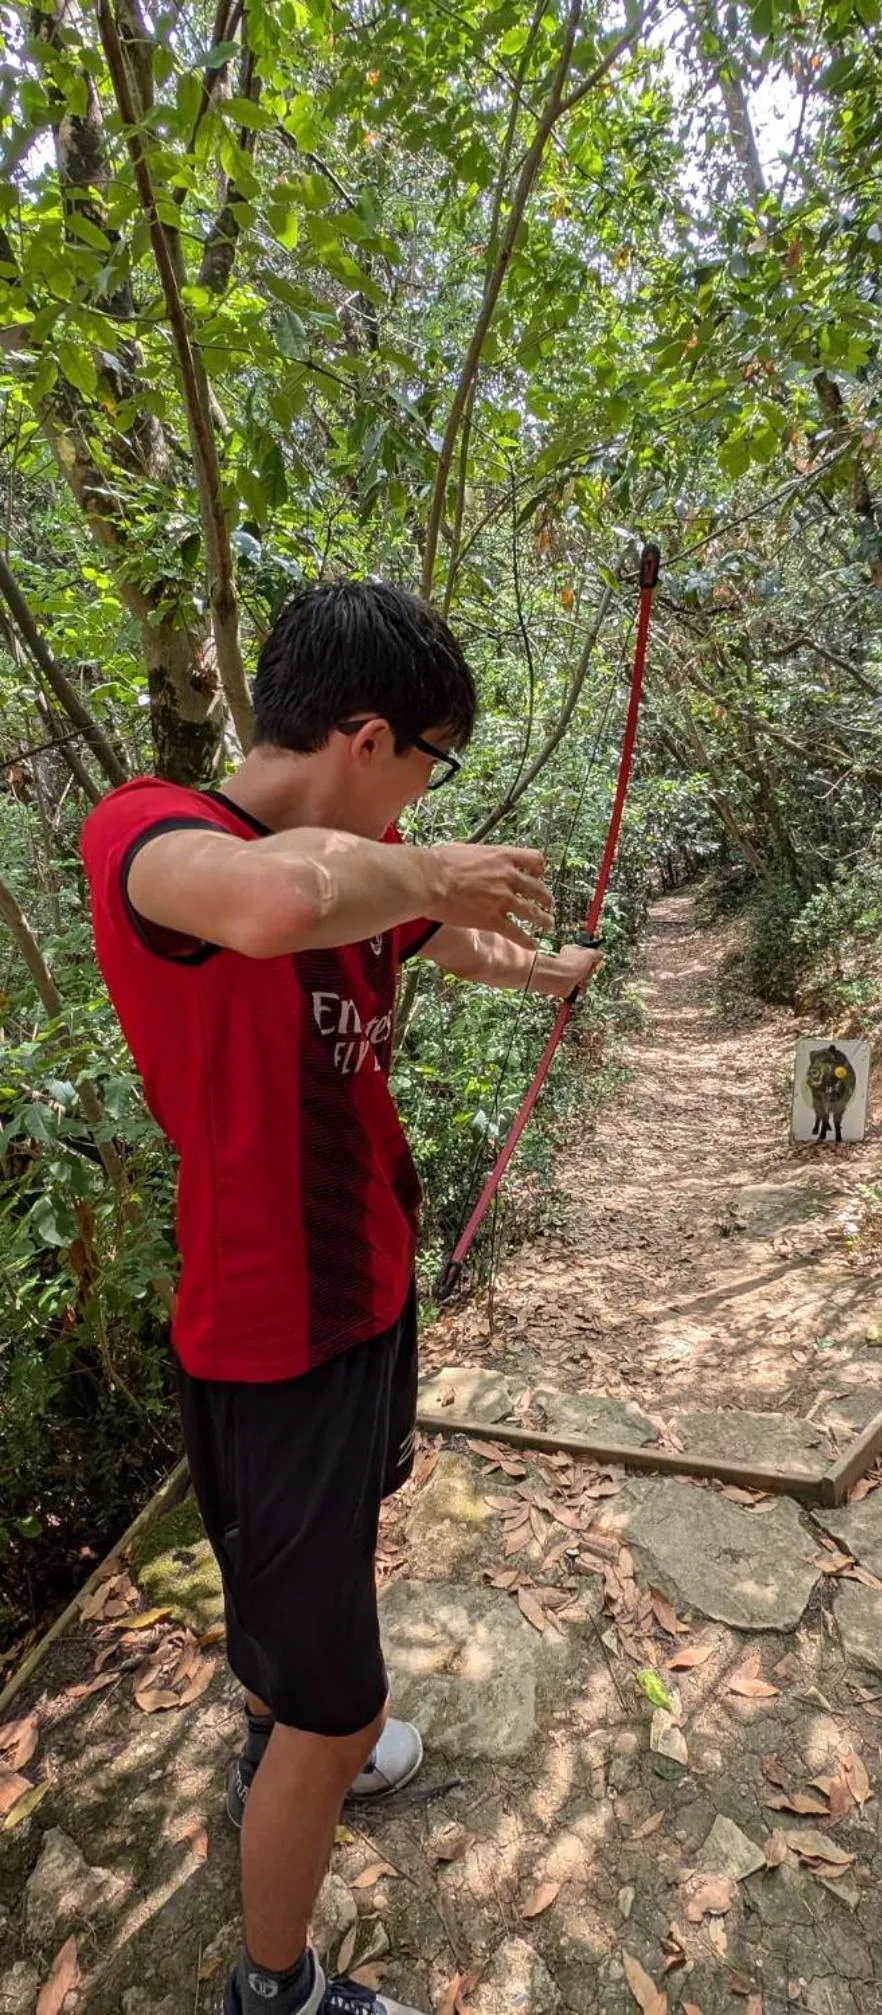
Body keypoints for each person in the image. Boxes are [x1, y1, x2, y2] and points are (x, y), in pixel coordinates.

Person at [80, 581, 601, 2015]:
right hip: (270, 1330)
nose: (428, 797)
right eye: (432, 762)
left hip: (361, 1293)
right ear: (370, 737)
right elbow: (279, 900)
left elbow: (456, 943)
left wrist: (550, 962)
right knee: (340, 1690)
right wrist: (437, 868)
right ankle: (278, 1985)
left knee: (324, 1571)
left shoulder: (370, 867)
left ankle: (292, 1736)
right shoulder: (154, 833)